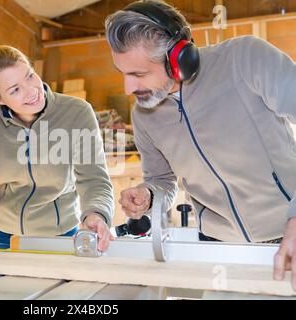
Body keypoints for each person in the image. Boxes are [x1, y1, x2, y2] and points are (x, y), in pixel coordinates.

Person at [105, 0, 296, 289]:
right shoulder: (143, 114)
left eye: (138, 74)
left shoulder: (245, 59)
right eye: (123, 73)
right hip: (218, 250)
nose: (127, 89)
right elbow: (162, 180)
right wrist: (149, 194)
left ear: (178, 59)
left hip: (286, 237)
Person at [0, 45, 114, 251]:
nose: (32, 91)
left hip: (60, 234)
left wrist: (96, 213)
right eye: (15, 89)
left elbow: (94, 179)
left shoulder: (77, 112)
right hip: (5, 235)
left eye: (30, 76)